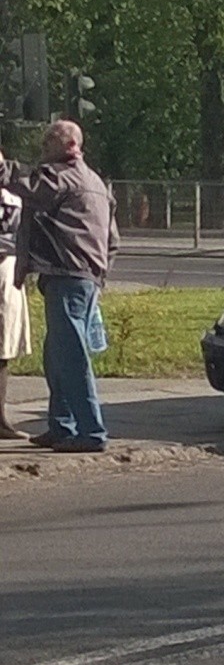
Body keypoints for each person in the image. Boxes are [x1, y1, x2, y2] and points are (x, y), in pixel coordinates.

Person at [0, 120, 119, 452]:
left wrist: (1, 166)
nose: (42, 148)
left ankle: (91, 431)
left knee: (70, 356)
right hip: (83, 276)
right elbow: (113, 239)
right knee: (56, 355)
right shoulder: (95, 182)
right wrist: (100, 272)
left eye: (48, 142)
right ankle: (61, 425)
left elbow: (29, 185)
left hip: (68, 275)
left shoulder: (63, 177)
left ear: (69, 146)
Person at [0, 187, 31, 438]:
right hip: (7, 270)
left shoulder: (14, 200)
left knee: (3, 346)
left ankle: (0, 420)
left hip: (6, 271)